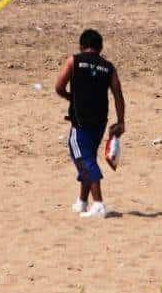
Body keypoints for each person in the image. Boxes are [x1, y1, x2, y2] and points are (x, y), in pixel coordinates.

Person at [54, 29, 126, 219]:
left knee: (82, 157)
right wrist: (120, 121)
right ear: (100, 47)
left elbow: (58, 87)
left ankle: (99, 204)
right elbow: (118, 94)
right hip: (100, 120)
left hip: (81, 120)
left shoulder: (74, 61)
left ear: (81, 46)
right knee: (88, 156)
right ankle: (82, 201)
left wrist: (72, 97)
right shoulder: (108, 67)